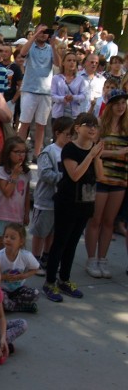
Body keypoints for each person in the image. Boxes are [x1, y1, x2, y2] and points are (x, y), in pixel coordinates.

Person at [43, 113, 103, 302]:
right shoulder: (69, 149)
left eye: (95, 126)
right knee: (60, 242)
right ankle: (50, 282)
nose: (92, 129)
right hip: (67, 202)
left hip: (85, 202)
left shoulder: (93, 149)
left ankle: (65, 280)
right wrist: (91, 155)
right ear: (77, 128)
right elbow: (75, 174)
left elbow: (100, 176)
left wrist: (97, 157)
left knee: (73, 243)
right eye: (88, 125)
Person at [83, 90, 128, 279]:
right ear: (109, 105)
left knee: (110, 222)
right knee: (95, 220)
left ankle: (103, 259)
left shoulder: (127, 127)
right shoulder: (100, 125)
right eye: (117, 102)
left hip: (120, 179)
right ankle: (91, 259)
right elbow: (93, 151)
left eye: (124, 103)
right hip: (100, 179)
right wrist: (117, 153)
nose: (121, 106)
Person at [31, 117, 73, 275]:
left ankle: (46, 258)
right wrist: (66, 177)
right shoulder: (49, 151)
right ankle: (34, 261)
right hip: (46, 200)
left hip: (61, 201)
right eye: (68, 134)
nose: (70, 138)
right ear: (57, 133)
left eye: (72, 135)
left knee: (52, 232)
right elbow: (44, 173)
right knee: (40, 232)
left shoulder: (70, 152)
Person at [18, 24, 61, 159]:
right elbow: (22, 53)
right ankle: (19, 150)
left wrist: (54, 45)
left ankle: (37, 154)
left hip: (45, 91)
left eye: (46, 32)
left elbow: (58, 63)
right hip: (30, 89)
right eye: (41, 31)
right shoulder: (30, 46)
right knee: (24, 122)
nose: (43, 34)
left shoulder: (50, 48)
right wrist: (35, 35)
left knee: (41, 124)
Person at [0, 137, 31, 251]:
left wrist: (27, 213)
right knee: (0, 246)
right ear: (8, 153)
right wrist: (14, 175)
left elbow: (27, 194)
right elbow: (7, 192)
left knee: (16, 246)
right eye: (17, 152)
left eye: (23, 152)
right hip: (3, 214)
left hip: (18, 216)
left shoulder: (26, 172)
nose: (21, 155)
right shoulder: (1, 170)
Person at [0, 224, 40, 312]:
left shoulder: (26, 256)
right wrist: (4, 277)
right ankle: (21, 307)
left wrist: (23, 276)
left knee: (35, 294)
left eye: (12, 238)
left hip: (18, 289)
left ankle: (11, 305)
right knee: (0, 298)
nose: (8, 239)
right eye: (6, 236)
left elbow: (35, 268)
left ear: (21, 241)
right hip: (1, 289)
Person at [51, 51, 86, 119]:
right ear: (63, 63)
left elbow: (83, 96)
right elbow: (52, 96)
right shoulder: (56, 78)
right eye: (69, 60)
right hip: (58, 115)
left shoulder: (80, 79)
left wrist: (73, 97)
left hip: (74, 116)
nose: (72, 63)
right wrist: (63, 99)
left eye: (74, 61)